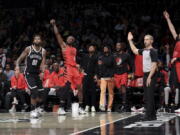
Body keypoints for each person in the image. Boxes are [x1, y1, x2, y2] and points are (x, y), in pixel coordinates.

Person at [50, 19, 86, 114]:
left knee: (80, 88)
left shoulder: (74, 49)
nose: (70, 39)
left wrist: (78, 66)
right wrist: (54, 25)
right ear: (66, 40)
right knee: (66, 87)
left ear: (73, 41)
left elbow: (74, 60)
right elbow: (57, 35)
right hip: (68, 68)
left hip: (75, 69)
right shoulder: (64, 46)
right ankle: (61, 108)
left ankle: (81, 107)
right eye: (69, 38)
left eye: (72, 39)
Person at [128, 32, 158, 121]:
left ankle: (148, 115)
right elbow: (134, 50)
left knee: (149, 95)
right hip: (145, 74)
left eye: (147, 39)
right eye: (144, 39)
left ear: (151, 41)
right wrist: (130, 40)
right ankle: (153, 116)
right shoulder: (144, 50)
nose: (145, 41)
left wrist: (149, 77)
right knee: (147, 95)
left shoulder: (153, 51)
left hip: (151, 75)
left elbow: (154, 65)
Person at [16, 34, 46, 118]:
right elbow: (19, 59)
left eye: (38, 39)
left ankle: (38, 108)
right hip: (29, 73)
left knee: (41, 93)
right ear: (33, 41)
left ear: (41, 41)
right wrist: (17, 66)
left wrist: (43, 72)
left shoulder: (43, 51)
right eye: (35, 39)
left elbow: (43, 63)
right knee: (34, 91)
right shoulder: (28, 49)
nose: (37, 40)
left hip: (37, 74)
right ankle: (32, 110)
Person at [163, 11, 180, 113]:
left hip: (179, 64)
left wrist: (177, 59)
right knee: (176, 87)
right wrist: (168, 19)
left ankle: (177, 105)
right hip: (175, 66)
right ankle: (175, 105)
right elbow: (172, 30)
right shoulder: (178, 40)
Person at [113, 42, 132, 112]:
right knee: (119, 89)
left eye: (118, 45)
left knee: (123, 86)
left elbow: (131, 64)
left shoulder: (126, 55)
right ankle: (122, 103)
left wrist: (131, 73)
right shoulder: (114, 55)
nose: (117, 47)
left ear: (122, 46)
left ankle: (124, 105)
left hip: (124, 73)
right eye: (116, 45)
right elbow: (112, 65)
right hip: (116, 74)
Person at [97, 46, 115, 112]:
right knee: (102, 91)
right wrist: (99, 77)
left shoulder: (112, 57)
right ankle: (102, 106)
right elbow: (99, 67)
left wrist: (113, 76)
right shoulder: (100, 57)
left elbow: (114, 67)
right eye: (104, 48)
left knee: (111, 93)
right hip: (103, 77)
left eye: (106, 48)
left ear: (109, 49)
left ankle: (109, 107)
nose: (105, 49)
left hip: (110, 77)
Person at [81, 45, 98, 112]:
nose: (90, 48)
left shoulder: (96, 57)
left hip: (92, 75)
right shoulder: (85, 56)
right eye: (89, 47)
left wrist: (96, 75)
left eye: (92, 47)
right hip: (85, 75)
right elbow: (82, 65)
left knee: (93, 91)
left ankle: (93, 106)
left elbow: (97, 66)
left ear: (94, 49)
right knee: (85, 91)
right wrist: (82, 71)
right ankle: (87, 105)